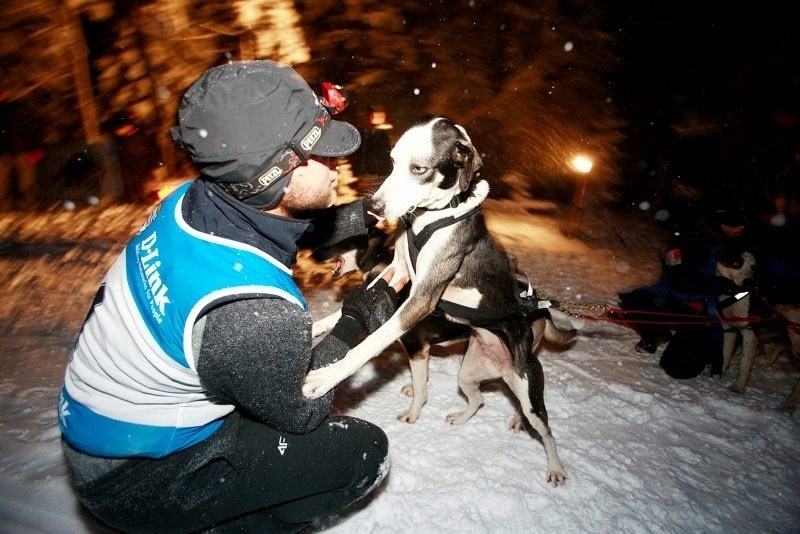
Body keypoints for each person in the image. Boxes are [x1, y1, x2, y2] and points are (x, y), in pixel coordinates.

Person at [57, 60, 406, 533]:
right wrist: (359, 319)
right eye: (319, 155)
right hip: (135, 476)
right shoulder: (252, 315)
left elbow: (283, 227)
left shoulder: (192, 200)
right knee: (361, 451)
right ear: (276, 174)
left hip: (100, 427)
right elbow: (301, 408)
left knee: (252, 385)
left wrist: (368, 212)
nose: (335, 164)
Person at [617, 198, 757, 379]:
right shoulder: (689, 241)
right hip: (682, 303)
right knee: (635, 300)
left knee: (677, 368)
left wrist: (716, 350)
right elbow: (677, 283)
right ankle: (658, 334)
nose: (741, 228)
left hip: (706, 314)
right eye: (736, 223)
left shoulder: (737, 245)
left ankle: (692, 344)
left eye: (744, 224)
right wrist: (718, 286)